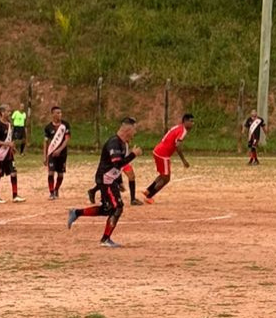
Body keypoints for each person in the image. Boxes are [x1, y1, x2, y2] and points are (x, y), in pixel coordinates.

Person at [67, 117, 142, 248]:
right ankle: (105, 239)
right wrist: (133, 155)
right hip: (105, 180)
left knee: (107, 209)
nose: (135, 133)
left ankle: (76, 213)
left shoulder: (124, 143)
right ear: (127, 129)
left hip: (110, 179)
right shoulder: (114, 143)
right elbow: (117, 163)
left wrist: (119, 181)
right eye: (134, 129)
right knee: (117, 207)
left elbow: (117, 166)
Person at [142, 113, 193, 204]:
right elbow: (178, 146)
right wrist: (183, 160)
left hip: (158, 150)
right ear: (185, 121)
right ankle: (149, 197)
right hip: (163, 154)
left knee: (163, 175)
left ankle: (148, 190)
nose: (192, 123)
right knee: (166, 178)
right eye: (191, 121)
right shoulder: (183, 131)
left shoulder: (178, 127)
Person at [0, 105, 24, 203]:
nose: (9, 113)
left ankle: (15, 195)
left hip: (9, 154)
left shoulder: (9, 124)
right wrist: (6, 144)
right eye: (8, 111)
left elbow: (10, 139)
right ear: (2, 112)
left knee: (13, 172)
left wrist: (12, 147)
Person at [43, 106, 71, 200]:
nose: (60, 115)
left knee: (60, 174)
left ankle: (56, 189)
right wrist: (45, 156)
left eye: (60, 113)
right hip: (51, 153)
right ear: (53, 114)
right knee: (50, 173)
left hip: (62, 154)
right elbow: (46, 142)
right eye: (57, 113)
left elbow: (67, 140)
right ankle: (51, 192)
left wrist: (59, 150)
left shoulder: (65, 125)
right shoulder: (48, 127)